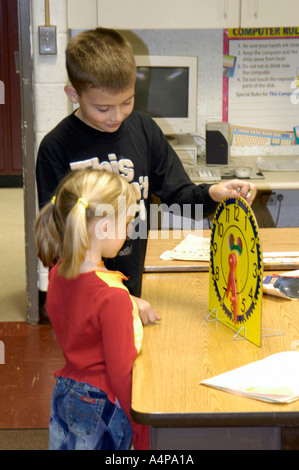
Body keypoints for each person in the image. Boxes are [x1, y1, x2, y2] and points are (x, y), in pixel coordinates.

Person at [36, 27, 257, 323]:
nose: (117, 116)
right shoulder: (55, 147)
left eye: (127, 102)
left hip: (130, 289)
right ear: (73, 94)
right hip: (83, 301)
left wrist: (212, 194)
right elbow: (58, 242)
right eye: (103, 108)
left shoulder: (144, 130)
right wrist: (114, 296)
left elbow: (179, 195)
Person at [34, 168, 149, 450]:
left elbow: (84, 308)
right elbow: (121, 375)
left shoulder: (59, 273)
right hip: (103, 405)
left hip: (66, 393)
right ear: (106, 228)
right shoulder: (112, 298)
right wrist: (143, 429)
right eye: (128, 222)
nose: (130, 230)